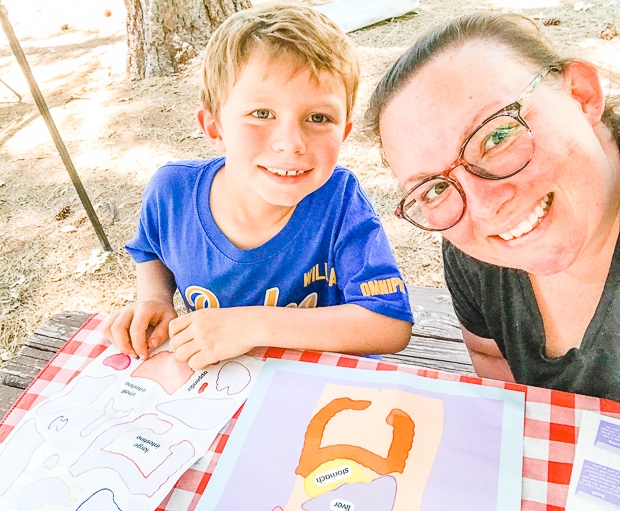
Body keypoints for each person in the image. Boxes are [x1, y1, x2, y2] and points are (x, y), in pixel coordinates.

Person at [100, 2, 414, 370]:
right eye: (262, 114)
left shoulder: (339, 201)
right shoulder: (172, 192)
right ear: (215, 127)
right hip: (221, 388)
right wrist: (155, 299)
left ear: (343, 132)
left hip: (322, 389)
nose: (291, 142)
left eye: (318, 117)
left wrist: (252, 325)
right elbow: (151, 249)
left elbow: (389, 325)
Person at [367, 13, 620, 401]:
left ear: (581, 95)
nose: (485, 208)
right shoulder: (471, 257)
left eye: (497, 135)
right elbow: (492, 360)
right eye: (434, 189)